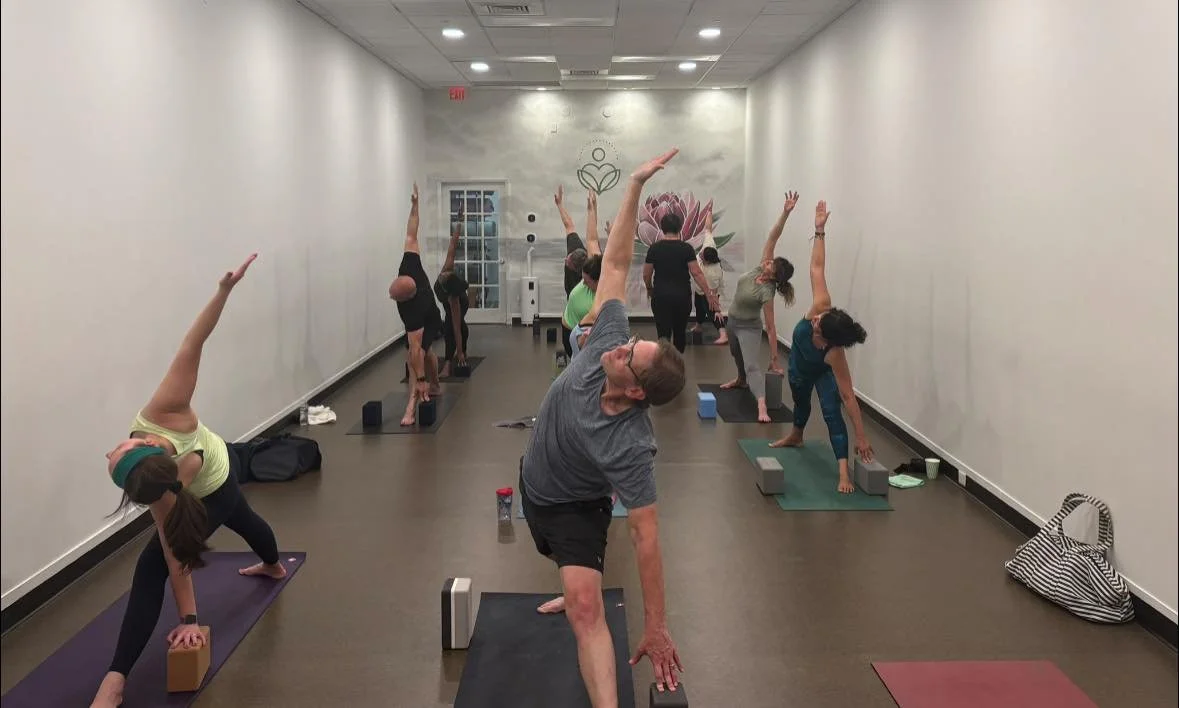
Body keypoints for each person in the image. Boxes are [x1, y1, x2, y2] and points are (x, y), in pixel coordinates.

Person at [519, 148, 687, 706]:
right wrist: (634, 184)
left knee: (585, 608)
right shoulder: (611, 335)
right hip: (533, 478)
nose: (613, 346)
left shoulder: (633, 447)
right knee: (565, 577)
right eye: (626, 341)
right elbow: (614, 266)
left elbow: (646, 537)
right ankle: (570, 581)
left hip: (576, 508)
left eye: (626, 356)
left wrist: (656, 625)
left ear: (636, 390)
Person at [92, 254, 285, 708]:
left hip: (217, 475)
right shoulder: (161, 465)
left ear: (142, 449)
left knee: (180, 546)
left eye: (115, 452)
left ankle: (116, 677)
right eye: (114, 454)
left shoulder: (167, 417)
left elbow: (194, 341)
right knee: (238, 522)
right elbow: (194, 341)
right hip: (207, 475)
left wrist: (191, 619)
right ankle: (274, 565)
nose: (109, 448)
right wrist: (191, 618)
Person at [771, 200, 874, 493]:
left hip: (821, 372)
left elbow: (849, 397)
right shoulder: (822, 306)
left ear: (827, 338)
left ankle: (842, 471)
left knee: (831, 411)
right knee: (800, 402)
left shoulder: (834, 355)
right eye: (819, 317)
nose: (814, 318)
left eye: (818, 323)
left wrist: (861, 436)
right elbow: (817, 268)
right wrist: (819, 231)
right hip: (798, 369)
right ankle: (796, 435)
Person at [719, 191, 800, 423]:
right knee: (736, 354)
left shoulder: (766, 292)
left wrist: (774, 358)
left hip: (748, 327)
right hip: (732, 322)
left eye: (771, 264)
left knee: (752, 364)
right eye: (770, 260)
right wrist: (785, 213)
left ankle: (761, 406)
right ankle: (740, 380)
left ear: (774, 275)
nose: (768, 261)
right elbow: (773, 237)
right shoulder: (759, 268)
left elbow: (771, 328)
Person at [388, 182, 444, 426]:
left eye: (395, 299)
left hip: (431, 318)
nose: (392, 300)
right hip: (426, 314)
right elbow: (412, 231)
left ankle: (411, 405)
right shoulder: (409, 264)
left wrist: (420, 378)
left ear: (406, 299)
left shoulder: (413, 312)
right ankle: (437, 384)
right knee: (428, 352)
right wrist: (415, 205)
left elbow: (414, 350)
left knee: (418, 356)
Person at [642, 212, 720, 352]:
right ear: (679, 228)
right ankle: (678, 366)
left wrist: (649, 288)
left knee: (663, 335)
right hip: (682, 297)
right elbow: (696, 273)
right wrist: (708, 293)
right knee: (679, 334)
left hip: (660, 297)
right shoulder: (686, 249)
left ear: (662, 228)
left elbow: (646, 274)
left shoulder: (654, 249)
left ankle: (664, 367)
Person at [564, 190, 603, 357]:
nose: (583, 282)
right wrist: (591, 209)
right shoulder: (595, 263)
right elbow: (592, 239)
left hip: (585, 337)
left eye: (587, 281)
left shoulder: (603, 300)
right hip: (568, 329)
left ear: (597, 281)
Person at [435, 208, 472, 377]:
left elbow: (456, 328)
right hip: (453, 301)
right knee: (455, 326)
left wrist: (459, 222)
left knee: (453, 327)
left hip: (460, 305)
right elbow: (453, 243)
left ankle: (450, 361)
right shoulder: (446, 268)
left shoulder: (454, 299)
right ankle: (458, 354)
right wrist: (459, 222)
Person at [557, 185, 590, 358]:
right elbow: (569, 225)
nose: (565, 259)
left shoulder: (583, 282)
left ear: (575, 268)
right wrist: (560, 205)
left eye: (567, 261)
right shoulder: (577, 248)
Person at [690, 210, 728, 346]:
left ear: (708, 262)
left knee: (714, 313)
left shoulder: (714, 272)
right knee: (699, 309)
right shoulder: (709, 246)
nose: (699, 255)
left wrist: (716, 305)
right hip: (699, 291)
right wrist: (709, 212)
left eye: (702, 258)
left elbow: (714, 290)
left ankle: (723, 334)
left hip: (710, 293)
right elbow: (708, 228)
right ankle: (699, 325)